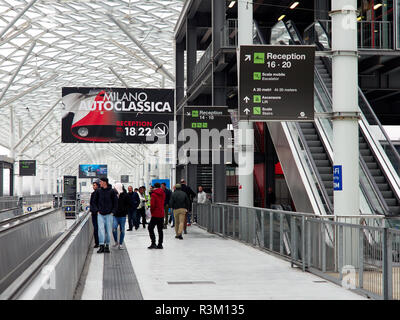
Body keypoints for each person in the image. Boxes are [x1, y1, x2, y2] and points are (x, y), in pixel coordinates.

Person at [92, 177, 118, 253]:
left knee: (108, 230)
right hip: (100, 214)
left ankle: (107, 245)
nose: (99, 183)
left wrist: (113, 212)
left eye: (101, 182)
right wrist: (97, 211)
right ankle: (101, 245)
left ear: (105, 182)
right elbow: (94, 202)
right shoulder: (98, 191)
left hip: (109, 214)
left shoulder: (112, 191)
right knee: (101, 230)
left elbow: (115, 202)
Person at [112, 183, 130, 249]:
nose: (114, 189)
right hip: (115, 215)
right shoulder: (114, 195)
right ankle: (116, 241)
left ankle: (120, 243)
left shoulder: (125, 195)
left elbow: (128, 204)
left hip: (122, 216)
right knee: (114, 228)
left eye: (115, 188)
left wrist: (125, 211)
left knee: (122, 230)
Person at [148, 183, 165, 249]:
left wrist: (152, 212)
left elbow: (152, 205)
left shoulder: (153, 194)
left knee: (150, 228)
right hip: (161, 214)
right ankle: (160, 244)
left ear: (154, 187)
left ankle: (153, 243)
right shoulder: (163, 193)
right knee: (160, 230)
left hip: (155, 214)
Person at [89, 181, 100, 248]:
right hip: (96, 213)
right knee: (97, 228)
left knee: (96, 228)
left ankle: (97, 243)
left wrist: (95, 210)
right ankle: (99, 242)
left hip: (96, 213)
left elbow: (93, 203)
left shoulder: (96, 194)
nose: (93, 187)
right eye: (93, 185)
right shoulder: (94, 193)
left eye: (94, 185)